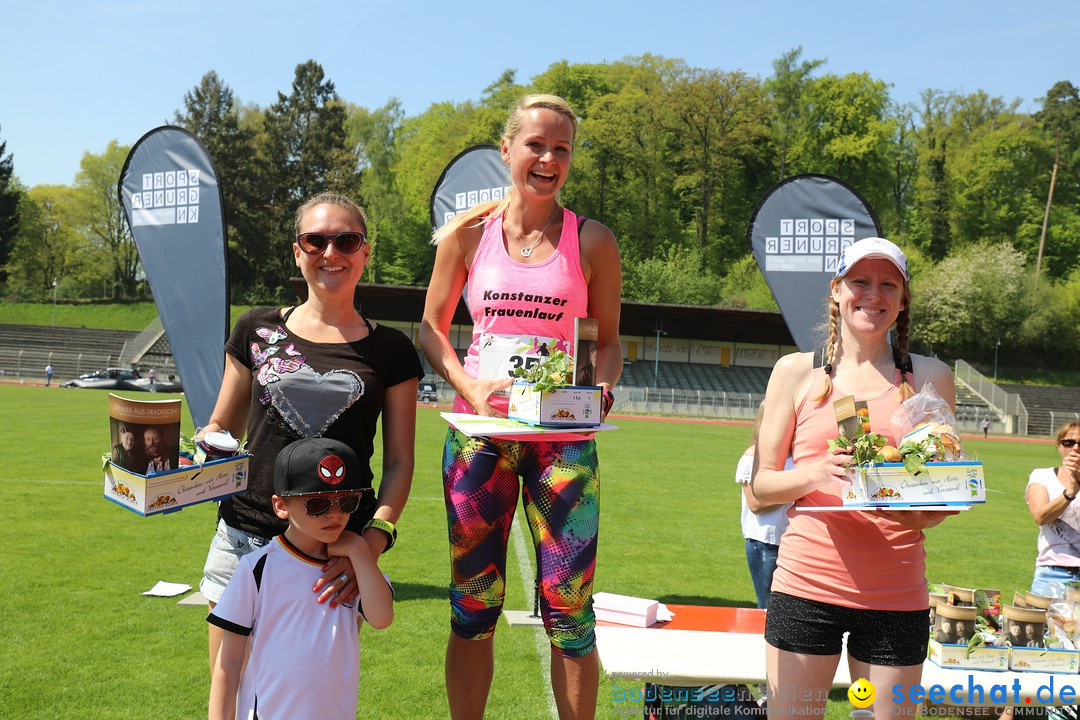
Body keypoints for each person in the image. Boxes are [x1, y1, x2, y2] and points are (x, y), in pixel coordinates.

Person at [419, 94, 622, 720]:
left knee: (569, 609)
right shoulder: (467, 236)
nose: (548, 158)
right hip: (481, 439)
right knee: (474, 604)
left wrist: (602, 394)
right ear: (507, 150)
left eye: (561, 148)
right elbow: (430, 327)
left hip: (563, 445)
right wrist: (470, 384)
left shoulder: (593, 240)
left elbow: (610, 343)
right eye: (536, 145)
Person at [196, 191, 422, 674]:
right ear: (297, 252)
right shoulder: (256, 329)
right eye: (315, 240)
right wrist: (200, 448)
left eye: (346, 240)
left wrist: (372, 543)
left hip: (332, 554)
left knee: (312, 697)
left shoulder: (392, 349)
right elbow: (222, 428)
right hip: (245, 537)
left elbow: (400, 461)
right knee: (231, 694)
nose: (330, 253)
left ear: (365, 251)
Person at [751, 237, 957, 720]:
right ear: (837, 289)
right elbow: (760, 490)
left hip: (897, 593)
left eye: (889, 284)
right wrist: (816, 473)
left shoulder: (929, 376)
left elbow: (942, 501)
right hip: (806, 587)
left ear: (903, 299)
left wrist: (918, 504)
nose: (873, 294)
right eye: (860, 281)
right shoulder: (795, 372)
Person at [208, 437, 393, 720]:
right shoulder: (257, 568)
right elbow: (229, 662)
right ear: (281, 506)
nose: (335, 514)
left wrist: (358, 548)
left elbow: (381, 618)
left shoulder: (353, 571)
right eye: (317, 504)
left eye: (346, 501)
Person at [737, 404, 792, 610]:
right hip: (766, 542)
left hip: (793, 541)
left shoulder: (798, 455)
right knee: (769, 609)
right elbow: (755, 503)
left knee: (788, 610)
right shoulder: (753, 455)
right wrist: (797, 490)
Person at [1025, 421, 1080, 596]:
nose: (1075, 448)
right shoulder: (1042, 476)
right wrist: (1070, 492)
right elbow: (1041, 516)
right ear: (1059, 446)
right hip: (1051, 574)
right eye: (1069, 442)